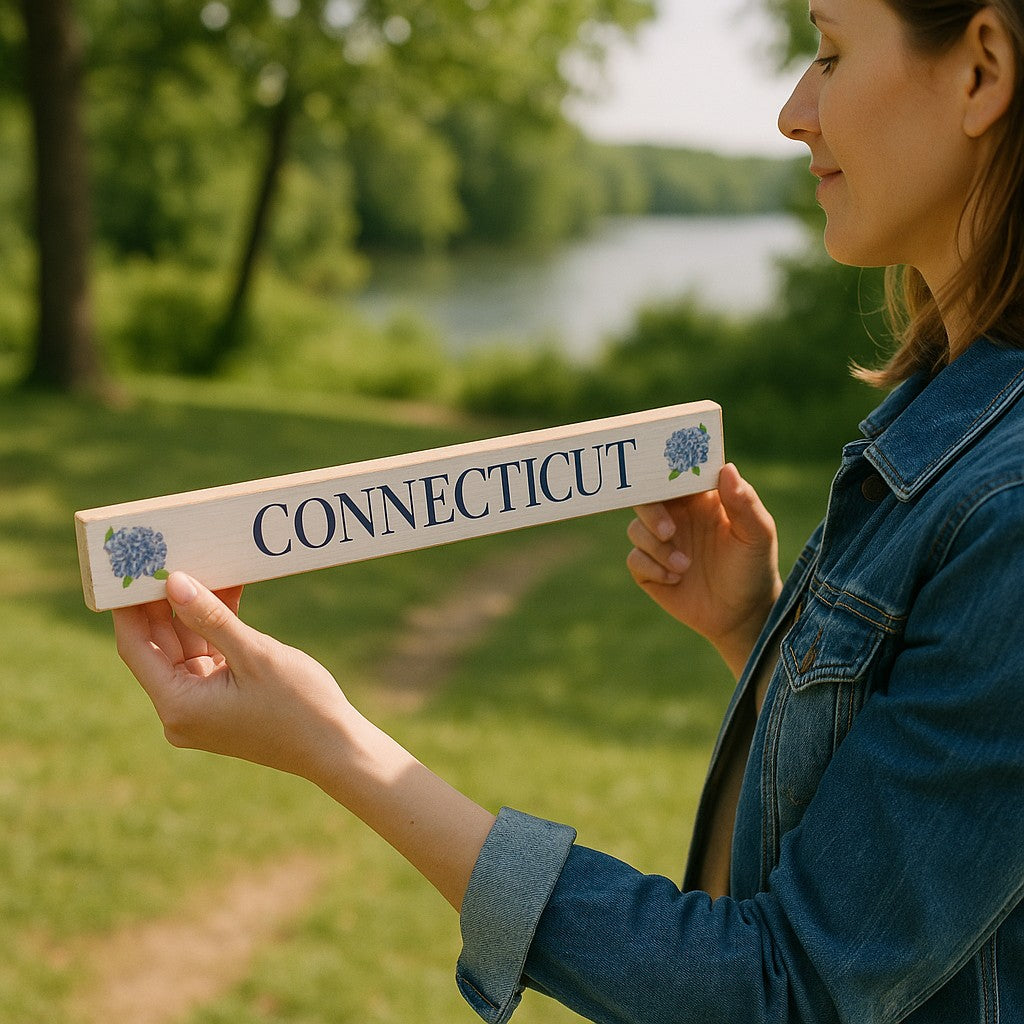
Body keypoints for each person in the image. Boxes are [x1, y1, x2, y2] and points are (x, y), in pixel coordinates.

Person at [113, 0, 1024, 1020]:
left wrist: (336, 743)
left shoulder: (1010, 500)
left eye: (830, 52)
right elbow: (882, 869)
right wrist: (752, 634)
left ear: (981, 70)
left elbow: (780, 990)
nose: (790, 111)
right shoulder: (952, 427)